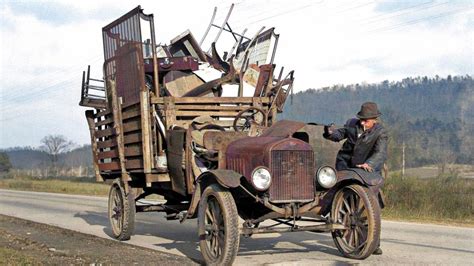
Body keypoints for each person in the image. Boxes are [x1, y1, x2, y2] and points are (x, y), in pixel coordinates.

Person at [323, 101, 388, 255]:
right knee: (343, 197)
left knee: (371, 205)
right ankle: (334, 218)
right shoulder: (352, 124)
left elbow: (381, 153)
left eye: (366, 120)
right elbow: (339, 135)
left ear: (375, 120)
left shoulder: (381, 132)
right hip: (345, 166)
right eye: (361, 119)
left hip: (368, 170)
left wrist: (369, 163)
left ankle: (373, 243)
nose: (363, 122)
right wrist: (329, 132)